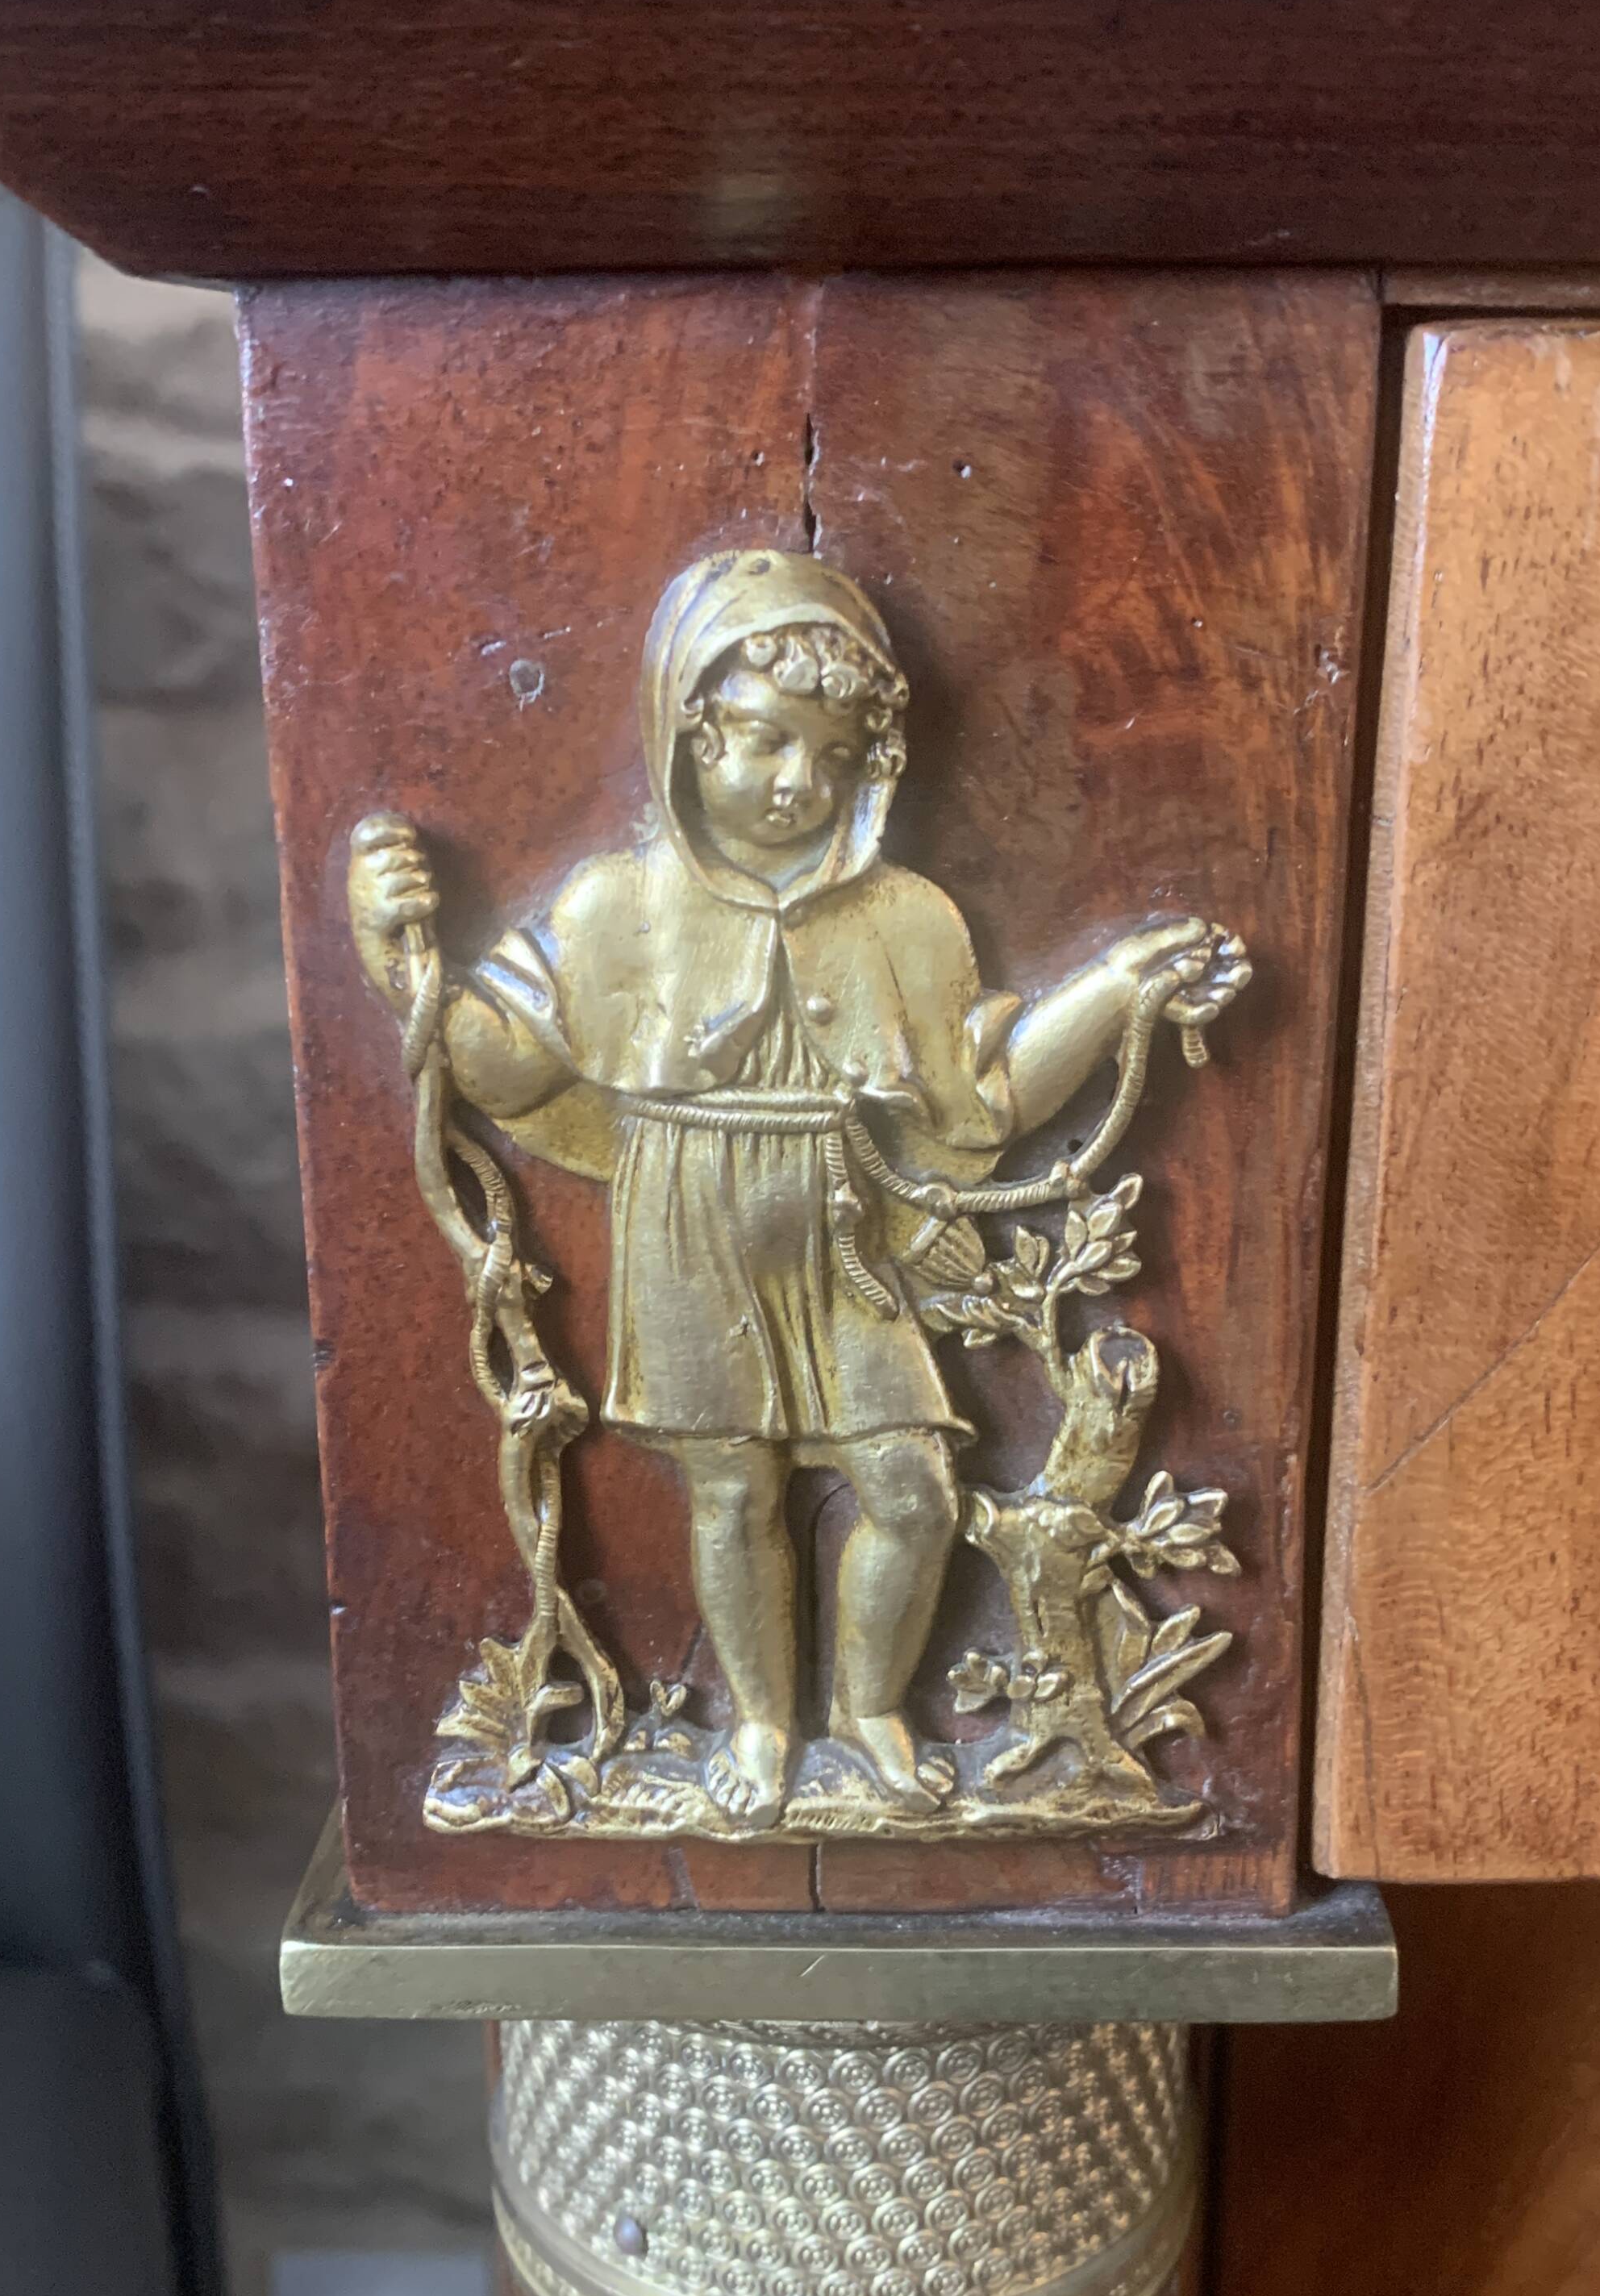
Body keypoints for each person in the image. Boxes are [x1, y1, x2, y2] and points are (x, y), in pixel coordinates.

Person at [352, 547, 1241, 1822]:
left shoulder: (905, 918)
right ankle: (764, 1730)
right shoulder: (617, 906)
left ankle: (871, 1708)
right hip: (689, 1223)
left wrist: (1117, 992)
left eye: (833, 757)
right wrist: (400, 959)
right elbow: (496, 1060)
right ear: (685, 732)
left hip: (845, 1224)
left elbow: (982, 1099)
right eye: (763, 741)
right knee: (732, 1488)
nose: (796, 783)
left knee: (913, 1488)